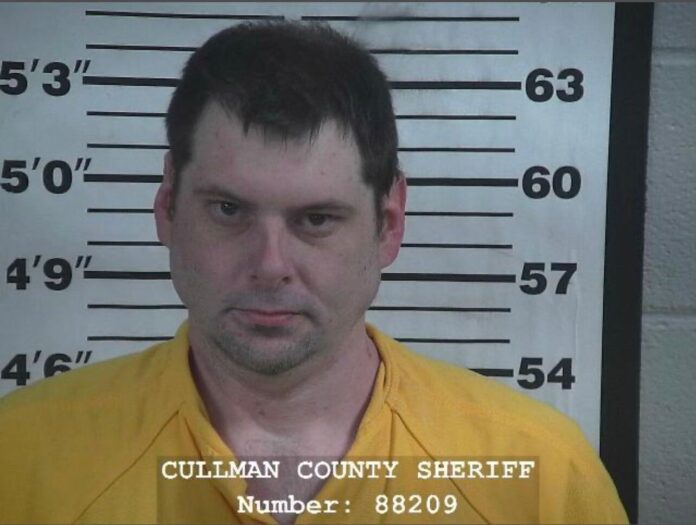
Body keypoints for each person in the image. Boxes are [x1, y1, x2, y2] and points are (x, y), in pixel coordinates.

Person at [0, 21, 627, 524]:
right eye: (228, 210)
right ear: (167, 208)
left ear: (388, 224)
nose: (270, 266)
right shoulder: (20, 456)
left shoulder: (543, 475)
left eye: (317, 219)